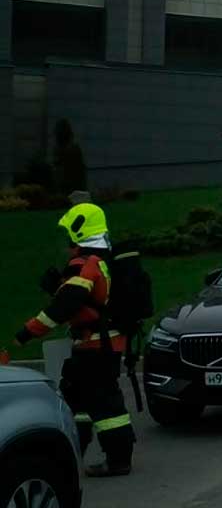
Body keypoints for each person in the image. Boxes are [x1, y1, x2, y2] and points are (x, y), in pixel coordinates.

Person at [14, 203, 135, 477]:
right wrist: (59, 285)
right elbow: (84, 300)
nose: (66, 244)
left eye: (68, 236)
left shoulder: (86, 264)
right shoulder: (102, 259)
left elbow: (64, 306)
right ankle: (75, 452)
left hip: (96, 345)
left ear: (78, 234)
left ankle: (117, 460)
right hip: (99, 343)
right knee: (78, 397)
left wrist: (26, 333)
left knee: (105, 403)